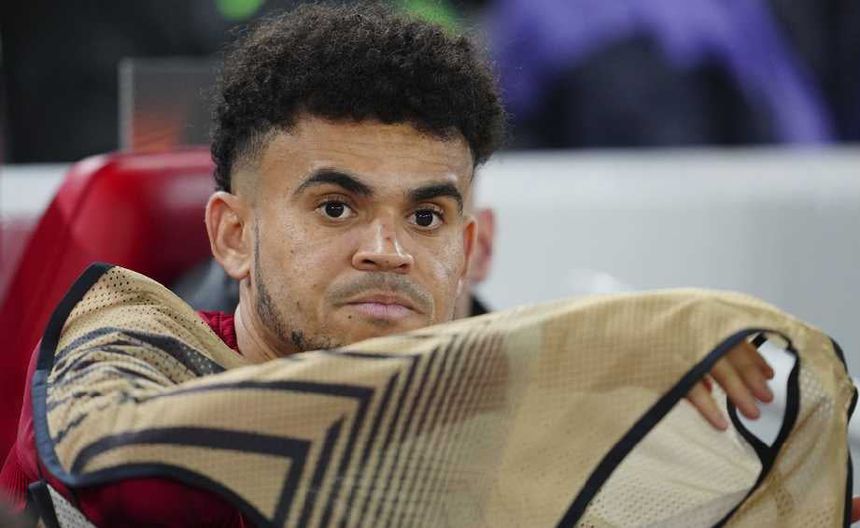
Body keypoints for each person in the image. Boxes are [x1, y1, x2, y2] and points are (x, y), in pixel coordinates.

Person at [0, 3, 854, 526]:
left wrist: (649, 408)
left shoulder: (484, 384)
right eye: (336, 207)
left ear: (470, 248)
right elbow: (134, 475)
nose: (389, 248)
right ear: (230, 235)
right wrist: (593, 356)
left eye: (427, 215)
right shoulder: (128, 343)